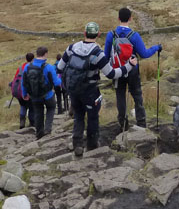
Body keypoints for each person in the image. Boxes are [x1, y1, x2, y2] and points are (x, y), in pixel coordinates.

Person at [56, 21, 137, 157]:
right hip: (90, 91)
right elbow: (111, 74)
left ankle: (77, 145)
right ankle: (92, 146)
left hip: (73, 90)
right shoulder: (98, 53)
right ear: (98, 34)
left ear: (84, 33)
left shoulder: (71, 48)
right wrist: (129, 65)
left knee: (78, 116)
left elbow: (59, 67)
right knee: (93, 117)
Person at [103, 7, 162, 129]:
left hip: (117, 70)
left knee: (120, 96)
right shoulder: (134, 36)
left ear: (118, 18)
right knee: (137, 95)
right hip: (133, 70)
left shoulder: (111, 35)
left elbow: (106, 55)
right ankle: (141, 122)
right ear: (130, 18)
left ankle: (123, 123)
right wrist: (156, 48)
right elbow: (144, 54)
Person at [21, 46, 62, 140]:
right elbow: (56, 82)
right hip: (47, 95)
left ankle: (39, 133)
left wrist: (24, 94)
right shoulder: (49, 67)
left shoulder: (27, 67)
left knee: (38, 112)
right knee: (51, 108)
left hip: (34, 96)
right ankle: (47, 130)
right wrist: (61, 80)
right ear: (45, 54)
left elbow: (24, 82)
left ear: (37, 54)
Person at [10, 52, 35, 130]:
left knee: (23, 106)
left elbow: (15, 79)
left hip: (19, 92)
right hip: (28, 91)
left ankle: (22, 122)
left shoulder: (20, 68)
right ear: (33, 59)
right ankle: (32, 122)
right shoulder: (32, 67)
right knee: (31, 107)